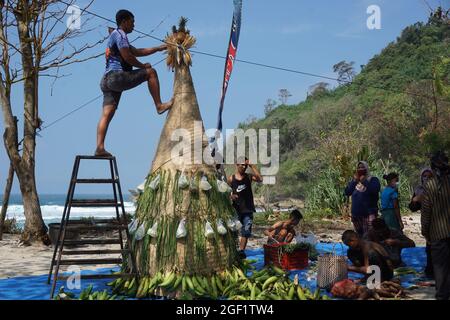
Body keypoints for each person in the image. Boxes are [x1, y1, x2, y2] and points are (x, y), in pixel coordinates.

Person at [96, 9, 173, 157]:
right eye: (132, 21)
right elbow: (128, 57)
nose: (134, 25)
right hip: (116, 77)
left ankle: (99, 147)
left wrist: (158, 48)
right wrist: (143, 66)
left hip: (106, 81)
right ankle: (159, 105)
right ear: (124, 21)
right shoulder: (121, 35)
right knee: (151, 73)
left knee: (107, 114)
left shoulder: (117, 36)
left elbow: (137, 51)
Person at [421, 151, 450, 300]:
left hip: (437, 234)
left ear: (433, 167)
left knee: (440, 268)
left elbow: (426, 211)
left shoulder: (430, 185)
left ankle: (443, 295)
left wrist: (425, 232)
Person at [227, 156, 262, 259]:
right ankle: (232, 250)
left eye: (245, 165)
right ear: (236, 164)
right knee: (233, 231)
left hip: (248, 210)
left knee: (246, 231)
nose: (244, 167)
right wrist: (231, 196)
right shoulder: (231, 179)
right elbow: (225, 192)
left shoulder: (249, 177)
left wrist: (252, 166)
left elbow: (260, 179)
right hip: (236, 210)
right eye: (242, 164)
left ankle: (242, 251)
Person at [409, 168, 434, 278]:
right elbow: (413, 208)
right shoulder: (419, 189)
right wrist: (416, 200)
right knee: (429, 246)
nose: (427, 179)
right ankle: (430, 271)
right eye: (424, 176)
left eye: (429, 177)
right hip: (427, 222)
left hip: (440, 221)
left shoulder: (439, 188)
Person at [345, 161, 381, 236]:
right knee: (360, 236)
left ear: (367, 168)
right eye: (359, 167)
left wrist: (364, 181)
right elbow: (347, 192)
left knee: (369, 236)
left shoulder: (373, 179)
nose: (361, 169)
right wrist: (355, 181)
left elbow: (375, 190)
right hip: (356, 215)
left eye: (363, 167)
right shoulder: (354, 181)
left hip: (369, 214)